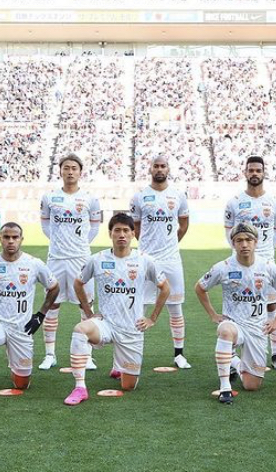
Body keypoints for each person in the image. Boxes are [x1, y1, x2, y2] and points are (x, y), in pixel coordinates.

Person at [63, 213, 169, 406]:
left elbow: (165, 288)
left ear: (133, 234)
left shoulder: (145, 260)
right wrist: (88, 312)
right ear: (110, 233)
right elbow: (78, 283)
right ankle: (80, 387)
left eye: (126, 230)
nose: (121, 234)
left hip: (132, 328)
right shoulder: (97, 259)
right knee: (80, 329)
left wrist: (152, 318)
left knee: (128, 386)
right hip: (106, 324)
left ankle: (119, 365)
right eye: (117, 230)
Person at [0, 223, 60, 406]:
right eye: (6, 237)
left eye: (15, 237)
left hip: (22, 328)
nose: (10, 241)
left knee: (22, 384)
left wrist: (40, 315)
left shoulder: (34, 264)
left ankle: (16, 363)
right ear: (0, 239)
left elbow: (54, 287)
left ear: (21, 239)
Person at [196, 223, 276, 405]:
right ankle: (225, 387)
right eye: (239, 240)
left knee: (252, 385)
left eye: (248, 240)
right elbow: (200, 288)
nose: (244, 244)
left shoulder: (268, 267)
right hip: (234, 324)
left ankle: (234, 361)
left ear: (256, 242)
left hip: (257, 328)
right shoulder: (223, 267)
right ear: (233, 244)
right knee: (226, 331)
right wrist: (213, 315)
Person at [223, 156, 276, 371]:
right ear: (245, 173)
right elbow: (229, 232)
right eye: (251, 170)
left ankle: (275, 353)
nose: (254, 174)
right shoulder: (234, 202)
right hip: (239, 264)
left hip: (266, 261)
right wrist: (242, 253)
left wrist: (262, 253)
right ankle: (231, 357)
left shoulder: (275, 203)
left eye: (258, 170)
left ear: (264, 173)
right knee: (236, 305)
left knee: (271, 305)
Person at [38, 153, 102, 371]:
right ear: (60, 171)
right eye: (66, 168)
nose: (70, 171)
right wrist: (59, 243)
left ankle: (87, 355)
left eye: (74, 168)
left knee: (86, 305)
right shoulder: (49, 197)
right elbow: (45, 225)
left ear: (80, 172)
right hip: (56, 258)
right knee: (52, 304)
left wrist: (80, 244)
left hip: (80, 258)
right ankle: (50, 354)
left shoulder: (90, 199)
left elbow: (94, 227)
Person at [130, 155, 191, 369]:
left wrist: (171, 243)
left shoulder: (178, 195)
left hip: (171, 259)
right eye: (155, 166)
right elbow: (136, 228)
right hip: (146, 259)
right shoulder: (139, 197)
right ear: (150, 169)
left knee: (175, 307)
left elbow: (184, 224)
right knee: (139, 306)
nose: (159, 169)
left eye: (163, 166)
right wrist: (147, 247)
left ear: (168, 169)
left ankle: (179, 354)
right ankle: (134, 352)